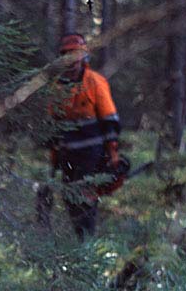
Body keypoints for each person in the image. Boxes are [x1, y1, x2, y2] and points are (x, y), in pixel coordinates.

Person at [36, 33, 125, 239]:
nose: (71, 59)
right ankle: (79, 239)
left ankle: (86, 241)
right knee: (69, 197)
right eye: (67, 54)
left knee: (85, 196)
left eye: (75, 54)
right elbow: (53, 126)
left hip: (93, 153)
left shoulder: (95, 82)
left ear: (83, 56)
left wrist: (113, 155)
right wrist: (54, 156)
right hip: (68, 155)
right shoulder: (57, 86)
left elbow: (110, 121)